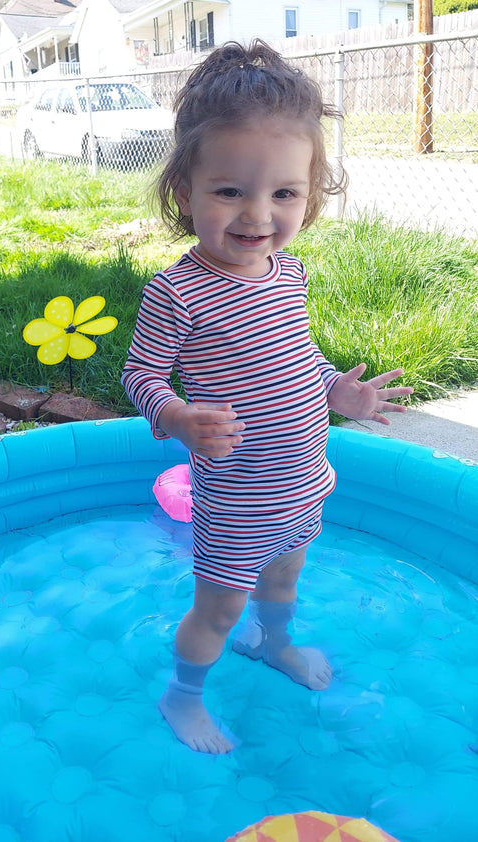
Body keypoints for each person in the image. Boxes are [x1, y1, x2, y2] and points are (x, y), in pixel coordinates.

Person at [121, 40, 413, 755]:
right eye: (229, 191)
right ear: (184, 192)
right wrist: (175, 415)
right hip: (237, 500)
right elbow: (140, 375)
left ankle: (274, 645)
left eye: (283, 193)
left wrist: (335, 389)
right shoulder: (177, 291)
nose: (258, 215)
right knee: (217, 609)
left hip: (302, 484)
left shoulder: (289, 275)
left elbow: (297, 360)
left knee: (283, 582)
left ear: (310, 193)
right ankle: (181, 697)